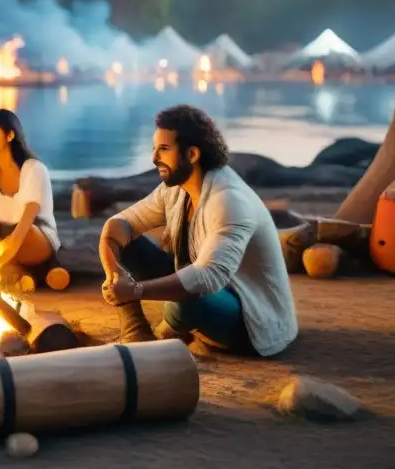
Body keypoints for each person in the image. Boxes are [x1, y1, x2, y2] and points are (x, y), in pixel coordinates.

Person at [99, 104, 298, 356]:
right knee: (125, 243)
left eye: (164, 149)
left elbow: (208, 277)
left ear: (192, 154)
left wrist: (136, 290)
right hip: (206, 288)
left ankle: (175, 331)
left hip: (249, 320)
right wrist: (113, 274)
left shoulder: (228, 199)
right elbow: (119, 224)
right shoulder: (175, 187)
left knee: (182, 306)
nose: (154, 158)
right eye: (154, 148)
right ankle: (135, 329)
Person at [0, 109, 69, 292]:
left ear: (10, 135)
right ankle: (32, 275)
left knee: (24, 233)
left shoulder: (34, 169)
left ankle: (32, 270)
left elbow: (27, 221)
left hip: (30, 235)